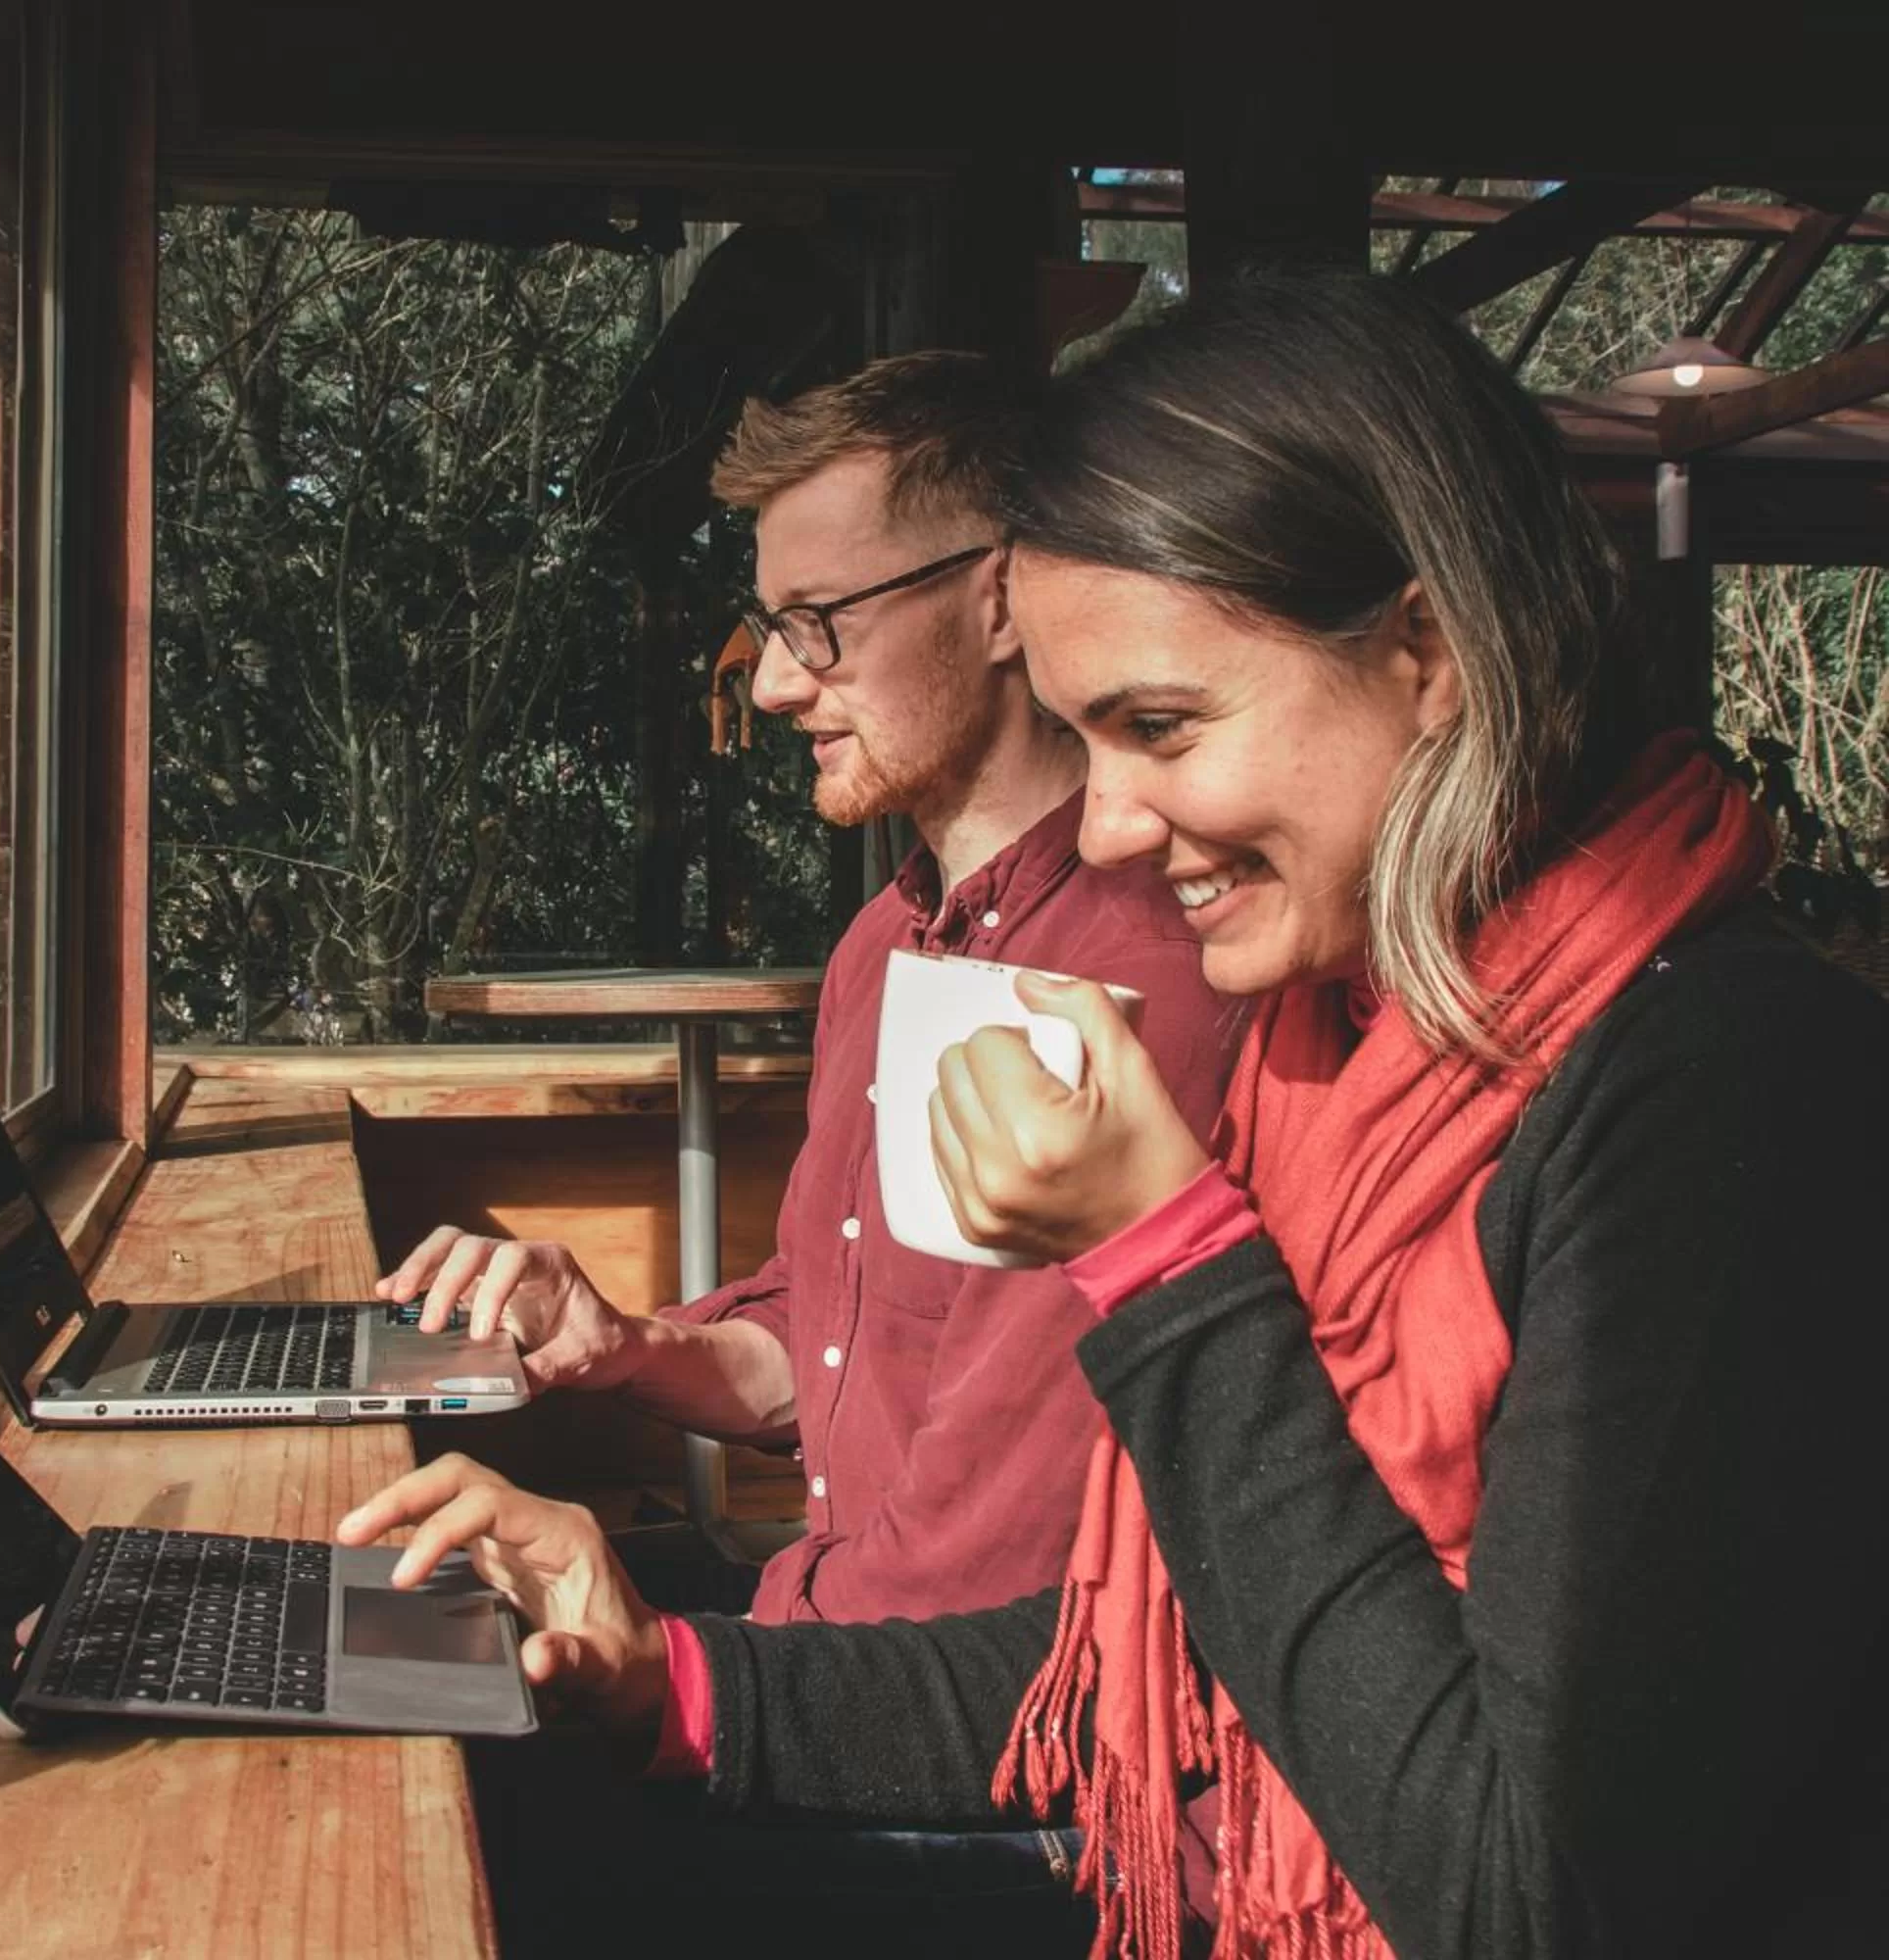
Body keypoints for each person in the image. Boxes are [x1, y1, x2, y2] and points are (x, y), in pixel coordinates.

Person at [342, 270, 1889, 1959]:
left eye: (1161, 727)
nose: (1104, 832)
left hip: (1222, 1893)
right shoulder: (1344, 1050)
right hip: (1189, 1848)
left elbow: (1525, 1898)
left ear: (1429, 654)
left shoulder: (1728, 1102)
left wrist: (1166, 1268)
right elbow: (1159, 1655)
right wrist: (675, 1686)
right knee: (457, 1787)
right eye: (1093, 741)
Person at [386, 351, 1241, 1634]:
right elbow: (834, 1351)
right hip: (848, 1629)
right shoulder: (883, 945)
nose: (777, 683)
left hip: (976, 1734)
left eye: (817, 622)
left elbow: (976, 1584)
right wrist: (623, 1346)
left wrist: (661, 1669)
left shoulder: (1129, 985)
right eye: (771, 630)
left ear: (1005, 600)